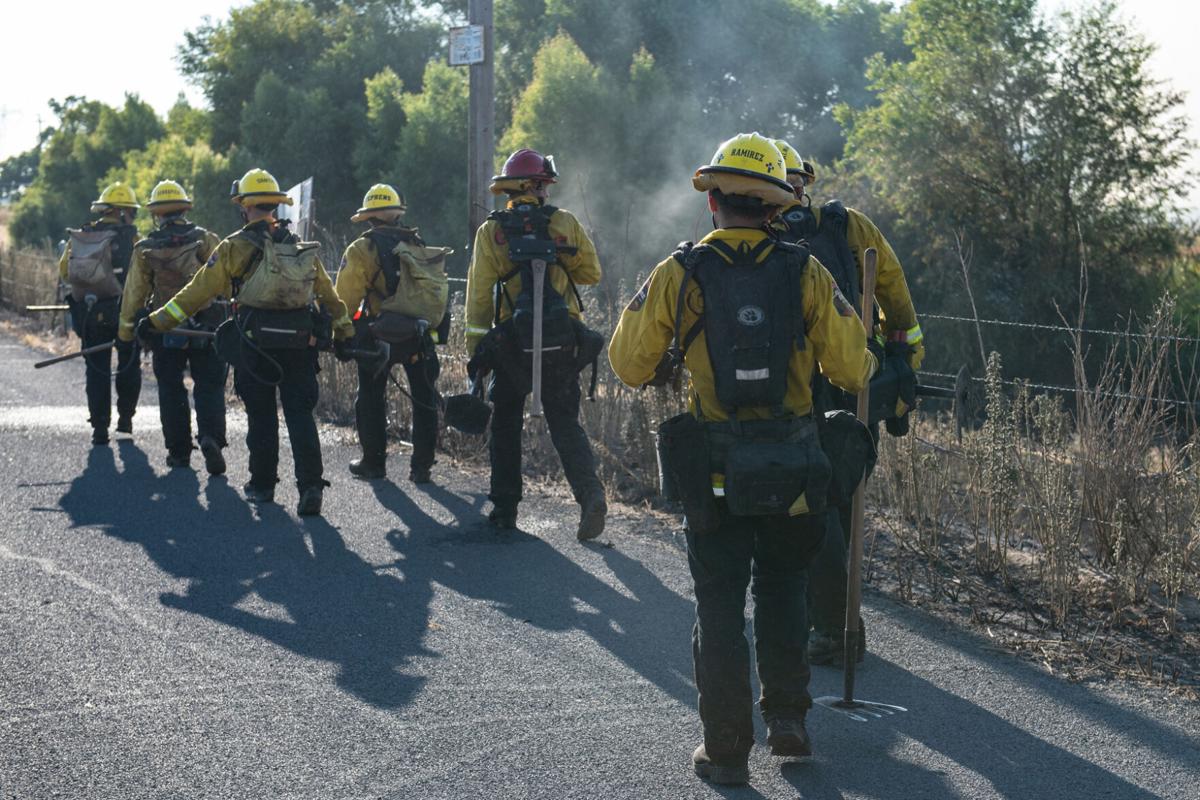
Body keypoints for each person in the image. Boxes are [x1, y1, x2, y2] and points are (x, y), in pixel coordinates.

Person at [608, 133, 878, 785]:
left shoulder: (679, 272)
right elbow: (851, 369)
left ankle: (726, 751)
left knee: (720, 606)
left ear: (713, 203)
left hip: (714, 474)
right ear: (776, 208)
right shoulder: (807, 272)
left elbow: (627, 365)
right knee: (784, 590)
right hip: (795, 472)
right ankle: (788, 721)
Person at [772, 138, 925, 665]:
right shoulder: (847, 226)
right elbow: (895, 292)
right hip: (855, 380)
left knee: (812, 503)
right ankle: (833, 623)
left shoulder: (762, 230)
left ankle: (835, 629)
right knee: (837, 499)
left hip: (804, 389)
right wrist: (903, 363)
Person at [138, 168, 353, 516]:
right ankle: (311, 486)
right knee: (300, 415)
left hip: (254, 345)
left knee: (262, 415)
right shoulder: (298, 246)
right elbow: (330, 297)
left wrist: (156, 322)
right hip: (300, 345)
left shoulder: (233, 247)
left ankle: (262, 486)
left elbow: (196, 293)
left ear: (244, 207)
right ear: (275, 206)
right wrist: (344, 333)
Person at [464, 149, 607, 540]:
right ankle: (591, 496)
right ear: (536, 186)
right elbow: (592, 273)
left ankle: (505, 509)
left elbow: (479, 296)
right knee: (565, 424)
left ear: (511, 189)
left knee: (505, 423)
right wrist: (560, 256)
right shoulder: (564, 222)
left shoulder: (491, 232)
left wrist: (476, 350)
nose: (546, 191)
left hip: (512, 346)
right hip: (560, 344)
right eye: (544, 184)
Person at [334, 183, 450, 484]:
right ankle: (422, 467)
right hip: (419, 335)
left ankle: (373, 463)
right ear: (398, 214)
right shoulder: (418, 243)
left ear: (368, 217)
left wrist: (341, 333)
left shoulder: (362, 249)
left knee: (370, 398)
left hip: (379, 337)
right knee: (423, 397)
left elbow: (345, 300)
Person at [117, 180, 227, 474]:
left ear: (156, 214)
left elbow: (134, 295)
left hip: (163, 329)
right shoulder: (205, 239)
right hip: (206, 326)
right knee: (209, 385)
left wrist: (126, 335)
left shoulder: (144, 248)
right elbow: (224, 277)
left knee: (170, 388)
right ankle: (211, 437)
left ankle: (179, 453)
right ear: (184, 210)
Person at [59, 183, 143, 445]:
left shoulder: (83, 237)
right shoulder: (132, 239)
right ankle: (125, 419)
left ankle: (99, 428)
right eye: (131, 211)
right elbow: (144, 274)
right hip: (125, 312)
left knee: (96, 369)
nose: (132, 217)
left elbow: (65, 272)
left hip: (90, 312)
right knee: (129, 364)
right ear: (121, 211)